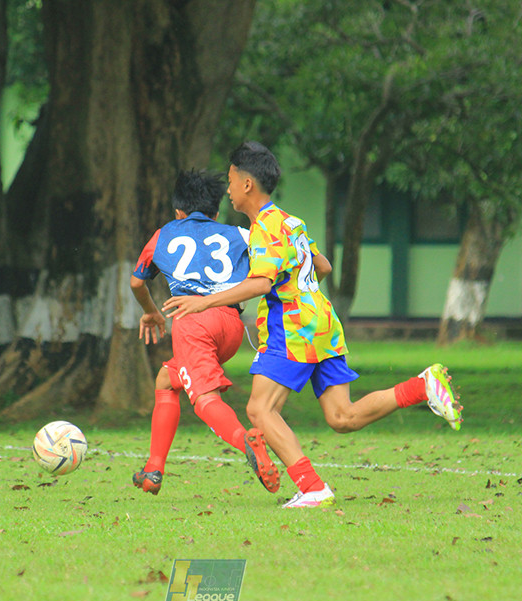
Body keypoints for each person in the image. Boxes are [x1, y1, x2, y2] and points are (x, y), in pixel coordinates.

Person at [163, 141, 463, 509]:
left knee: (259, 410)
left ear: (246, 185)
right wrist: (302, 293)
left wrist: (202, 301)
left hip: (292, 325)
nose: (226, 190)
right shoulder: (291, 222)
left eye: (230, 180)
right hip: (322, 322)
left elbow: (261, 283)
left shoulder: (264, 229)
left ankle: (312, 486)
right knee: (342, 416)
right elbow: (323, 267)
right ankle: (422, 386)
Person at [129, 168, 281, 496]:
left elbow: (137, 282)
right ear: (215, 212)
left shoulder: (163, 234)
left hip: (193, 321)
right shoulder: (241, 234)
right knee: (167, 380)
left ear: (178, 212)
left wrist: (151, 312)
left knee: (203, 398)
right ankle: (153, 469)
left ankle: (247, 442)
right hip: (230, 325)